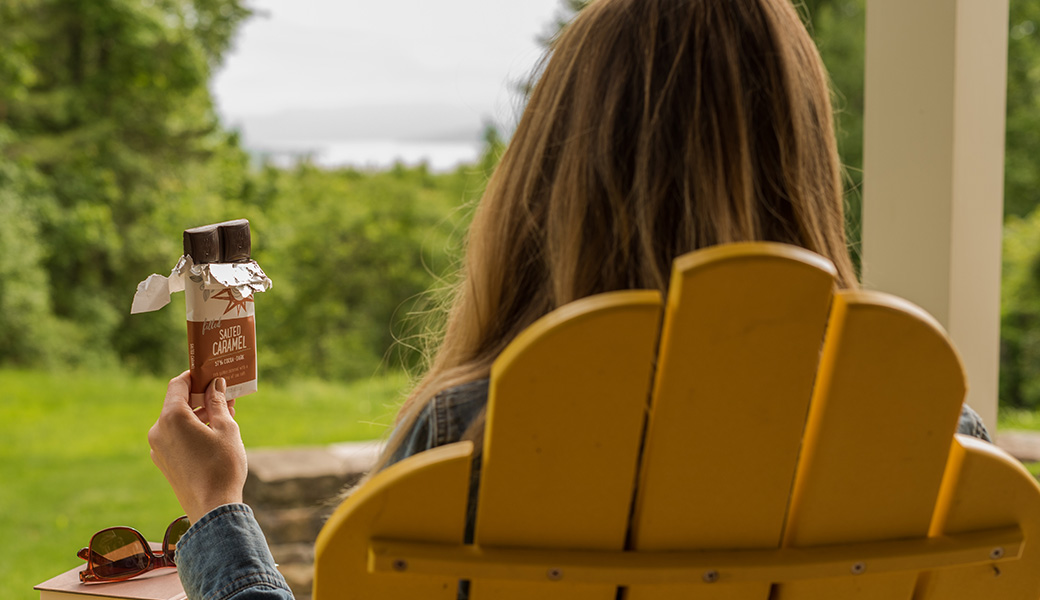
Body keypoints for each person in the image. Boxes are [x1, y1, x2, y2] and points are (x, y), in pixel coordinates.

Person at [144, 1, 994, 598]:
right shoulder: (939, 444)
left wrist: (219, 514)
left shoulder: (472, 432)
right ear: (802, 165)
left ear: (555, 174)